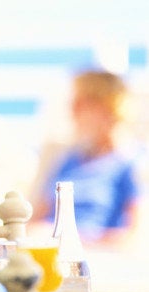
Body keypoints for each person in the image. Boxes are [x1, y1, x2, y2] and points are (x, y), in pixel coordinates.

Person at [29, 70, 142, 247]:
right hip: (49, 249)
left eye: (80, 103)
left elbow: (135, 237)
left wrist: (73, 239)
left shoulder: (130, 163)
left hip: (93, 257)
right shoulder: (68, 159)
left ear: (106, 107)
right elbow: (36, 219)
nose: (72, 110)